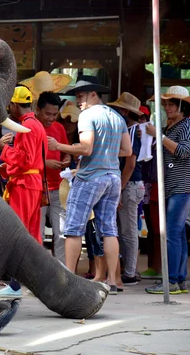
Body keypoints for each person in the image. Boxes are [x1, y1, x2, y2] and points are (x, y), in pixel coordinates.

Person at [48, 79, 132, 295]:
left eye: (80, 97)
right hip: (112, 176)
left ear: (93, 94)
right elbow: (127, 150)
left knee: (73, 228)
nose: (78, 102)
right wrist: (105, 153)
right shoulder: (117, 116)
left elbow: (86, 149)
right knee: (109, 230)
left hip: (90, 177)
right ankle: (113, 281)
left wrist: (59, 146)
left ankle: (67, 279)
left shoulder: (87, 115)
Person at [0, 85, 48, 298]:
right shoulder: (35, 125)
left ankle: (15, 286)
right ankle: (38, 282)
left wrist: (2, 148)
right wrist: (6, 168)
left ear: (14, 105)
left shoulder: (26, 126)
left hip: (24, 185)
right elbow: (30, 159)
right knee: (31, 234)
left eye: (10, 104)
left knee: (18, 234)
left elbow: (25, 159)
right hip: (31, 183)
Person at [144, 86, 190, 295]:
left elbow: (183, 152)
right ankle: (178, 279)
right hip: (174, 186)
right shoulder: (173, 126)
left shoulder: (186, 125)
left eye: (171, 104)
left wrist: (159, 137)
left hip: (182, 186)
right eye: (166, 104)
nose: (167, 107)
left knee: (172, 234)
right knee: (177, 234)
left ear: (182, 106)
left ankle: (171, 280)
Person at [107, 92, 145, 287]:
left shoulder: (132, 133)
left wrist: (120, 189)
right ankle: (128, 269)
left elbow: (130, 164)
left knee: (129, 230)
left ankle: (130, 272)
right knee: (125, 229)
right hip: (128, 184)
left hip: (129, 185)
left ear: (123, 111)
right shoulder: (132, 131)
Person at [35, 91, 71, 263]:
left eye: (54, 114)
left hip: (59, 188)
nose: (51, 118)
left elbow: (66, 152)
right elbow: (23, 159)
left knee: (62, 233)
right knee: (37, 234)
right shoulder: (29, 126)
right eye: (47, 113)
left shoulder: (59, 128)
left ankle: (61, 273)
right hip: (38, 188)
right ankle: (39, 272)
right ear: (38, 109)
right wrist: (45, 163)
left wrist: (66, 159)